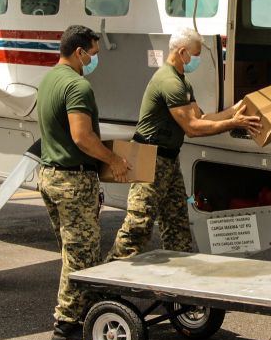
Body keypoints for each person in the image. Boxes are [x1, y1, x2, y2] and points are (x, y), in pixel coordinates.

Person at [106, 27, 261, 260]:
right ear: (182, 52)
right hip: (149, 157)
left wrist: (233, 111)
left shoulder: (182, 82)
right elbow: (193, 128)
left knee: (177, 223)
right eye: (195, 54)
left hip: (167, 159)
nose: (196, 60)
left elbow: (203, 118)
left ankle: (177, 285)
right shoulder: (170, 82)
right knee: (138, 226)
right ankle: (105, 278)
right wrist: (233, 123)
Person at [37, 24, 130, 340]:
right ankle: (66, 324)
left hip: (49, 175)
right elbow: (82, 136)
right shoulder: (78, 86)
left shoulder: (49, 79)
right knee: (82, 254)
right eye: (93, 54)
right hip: (73, 180)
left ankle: (82, 309)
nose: (94, 60)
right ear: (79, 52)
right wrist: (113, 160)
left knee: (70, 250)